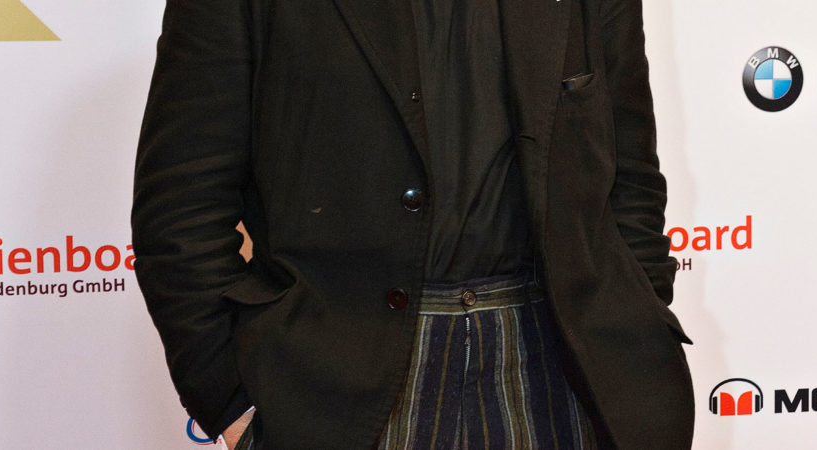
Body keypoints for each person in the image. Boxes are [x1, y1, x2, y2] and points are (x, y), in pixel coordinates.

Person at [131, 0, 694, 448]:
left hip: (560, 364)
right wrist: (231, 402)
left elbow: (630, 173)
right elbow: (180, 207)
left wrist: (642, 318)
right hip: (338, 379)